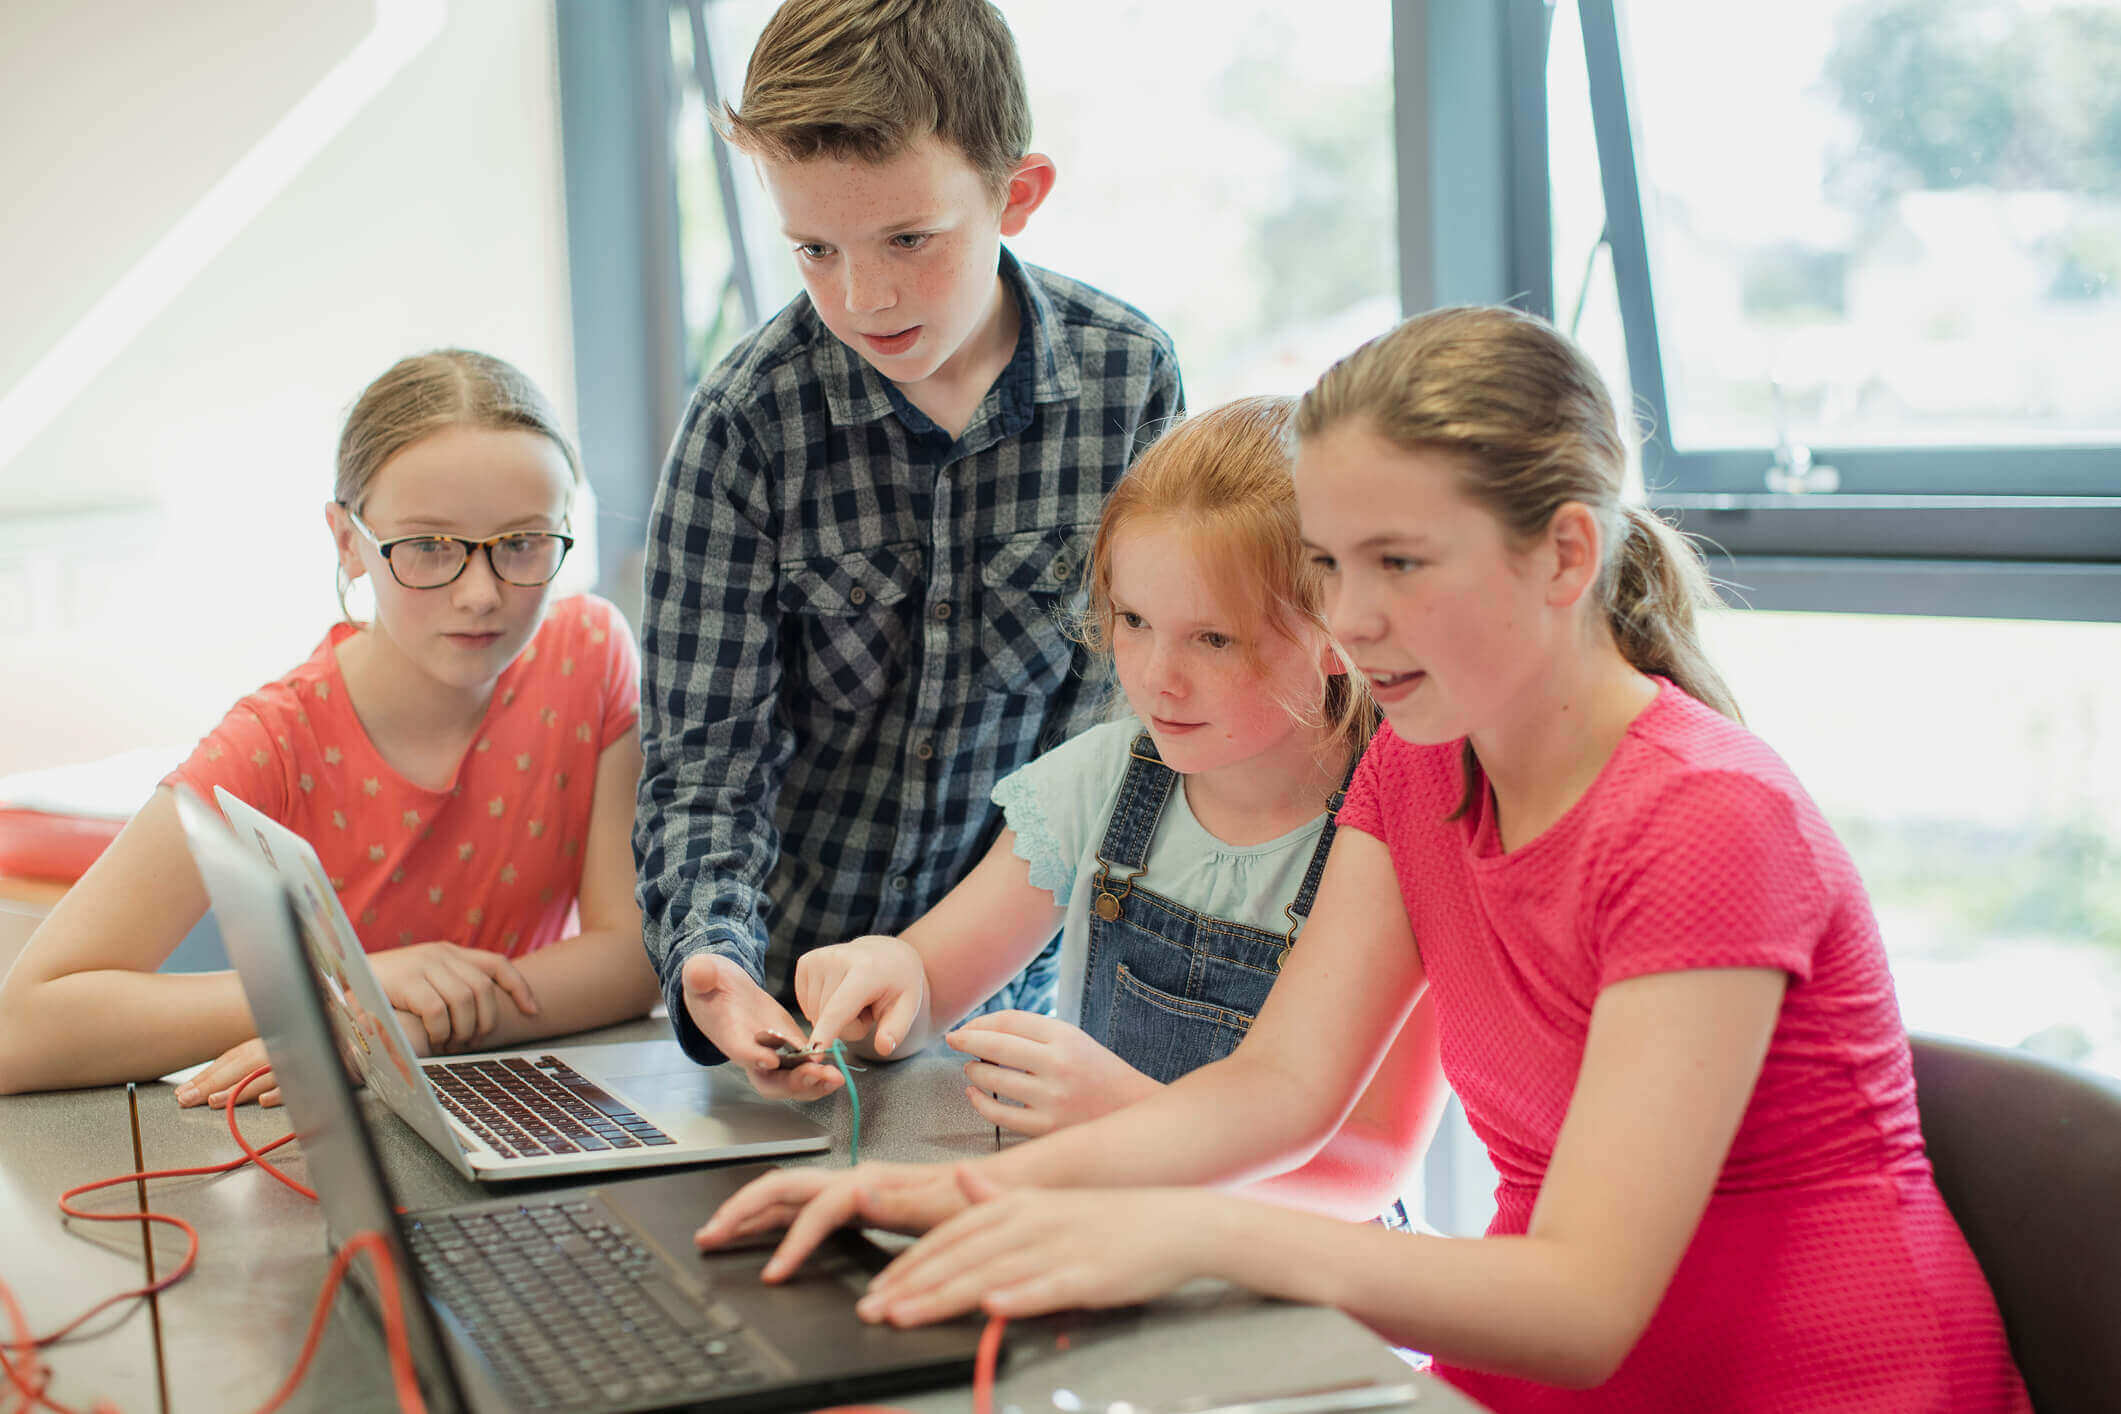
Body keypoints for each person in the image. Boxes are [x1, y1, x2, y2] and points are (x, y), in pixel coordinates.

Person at [694, 308, 2032, 1413]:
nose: (1352, 619)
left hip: (1810, 1380)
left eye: (1399, 562)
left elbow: (1582, 1303)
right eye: (1330, 564)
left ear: (1566, 550)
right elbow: (1279, 1085)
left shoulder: (1707, 818)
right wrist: (934, 1192)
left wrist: (1191, 1226)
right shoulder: (1414, 759)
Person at [635, 0, 1182, 1100]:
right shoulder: (746, 421)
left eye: (909, 240)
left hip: (1013, 1019)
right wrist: (715, 962)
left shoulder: (1129, 386)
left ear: (1016, 195)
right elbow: (707, 768)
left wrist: (946, 975)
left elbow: (1115, 746)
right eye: (814, 250)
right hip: (782, 1022)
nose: (862, 296)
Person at [790, 398, 1443, 1215]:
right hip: (1105, 1234)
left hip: (1300, 1276)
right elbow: (929, 984)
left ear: (1337, 633)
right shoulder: (1103, 778)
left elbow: (1363, 1176)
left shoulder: (1404, 829)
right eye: (1133, 620)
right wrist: (878, 980)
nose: (1156, 677)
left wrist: (1124, 1112)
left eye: (1213, 639)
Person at [0, 351, 658, 1107]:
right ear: (347, 541)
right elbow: (21, 1031)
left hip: (530, 1103)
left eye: (521, 543)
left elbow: (629, 958)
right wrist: (353, 986)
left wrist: (394, 1029)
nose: (481, 594)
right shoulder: (275, 742)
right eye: (429, 546)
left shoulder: (589, 653)